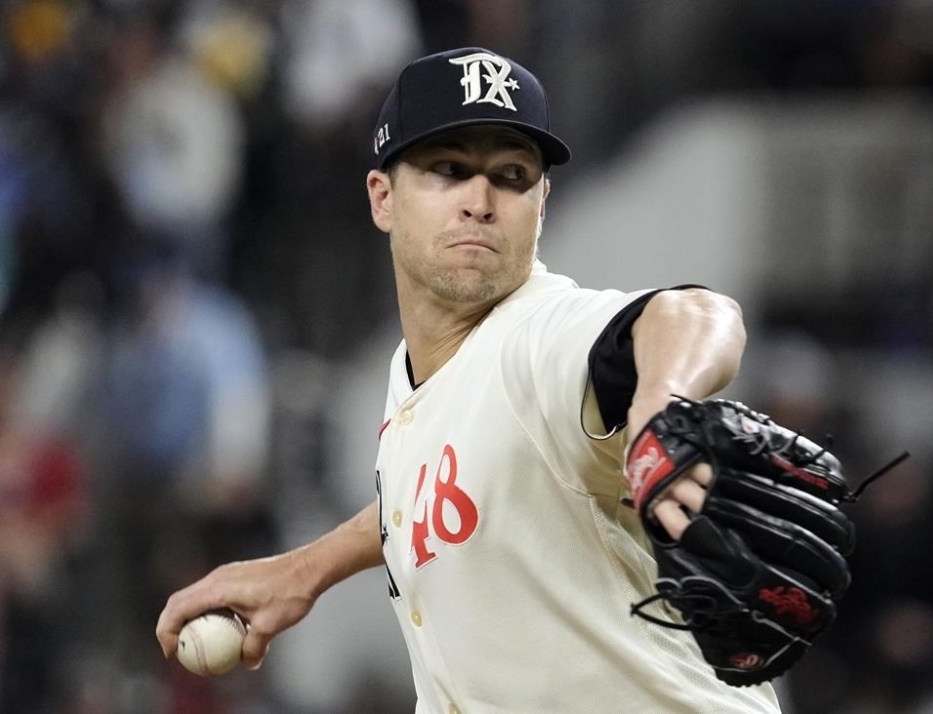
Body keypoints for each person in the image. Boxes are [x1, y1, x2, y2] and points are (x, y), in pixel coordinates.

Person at [156, 47, 780, 712]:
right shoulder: (420, 380)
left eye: (511, 175)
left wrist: (661, 405)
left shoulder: (541, 340)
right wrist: (303, 571)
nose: (480, 201)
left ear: (541, 204)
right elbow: (447, 483)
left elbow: (696, 314)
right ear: (382, 197)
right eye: (448, 170)